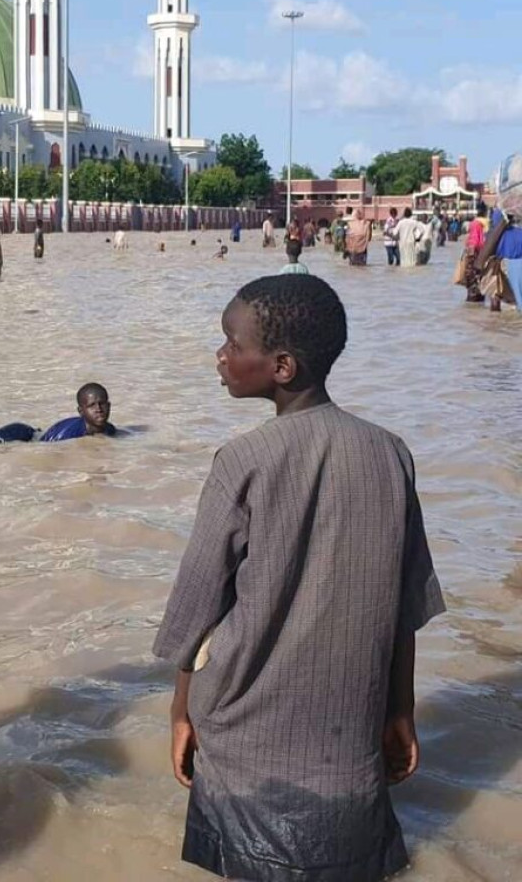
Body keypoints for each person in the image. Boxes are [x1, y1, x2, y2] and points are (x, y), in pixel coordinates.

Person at [154, 274, 444, 882]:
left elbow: (196, 612)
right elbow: (402, 605)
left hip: (245, 739)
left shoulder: (243, 460)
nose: (221, 356)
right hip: (348, 740)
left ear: (281, 365)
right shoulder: (390, 452)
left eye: (233, 344)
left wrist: (182, 713)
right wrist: (400, 708)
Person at [38, 383, 116, 441]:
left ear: (109, 406)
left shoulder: (110, 429)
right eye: (91, 405)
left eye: (102, 403)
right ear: (81, 411)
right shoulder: (67, 434)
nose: (99, 409)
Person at [459, 201, 490, 302]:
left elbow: (471, 239)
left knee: (471, 280)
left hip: (471, 251)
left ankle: (471, 301)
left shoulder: (474, 222)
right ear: (485, 212)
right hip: (483, 252)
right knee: (481, 278)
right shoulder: (488, 222)